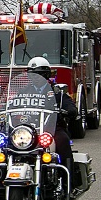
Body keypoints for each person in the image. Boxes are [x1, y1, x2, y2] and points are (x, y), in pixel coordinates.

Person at [24, 57, 76, 186]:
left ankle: (68, 182)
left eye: (39, 74)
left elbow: (70, 105)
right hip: (29, 130)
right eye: (32, 74)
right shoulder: (24, 92)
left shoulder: (57, 92)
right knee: (6, 145)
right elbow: (13, 105)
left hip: (52, 129)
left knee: (63, 141)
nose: (35, 77)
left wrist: (69, 110)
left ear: (46, 74)